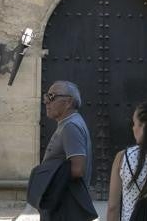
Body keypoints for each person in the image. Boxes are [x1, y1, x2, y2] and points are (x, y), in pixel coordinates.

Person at [27, 80, 96, 220]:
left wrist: (45, 179)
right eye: (46, 96)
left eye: (52, 97)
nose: (46, 101)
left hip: (63, 206)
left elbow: (78, 169)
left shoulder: (71, 126)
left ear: (68, 102)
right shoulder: (68, 124)